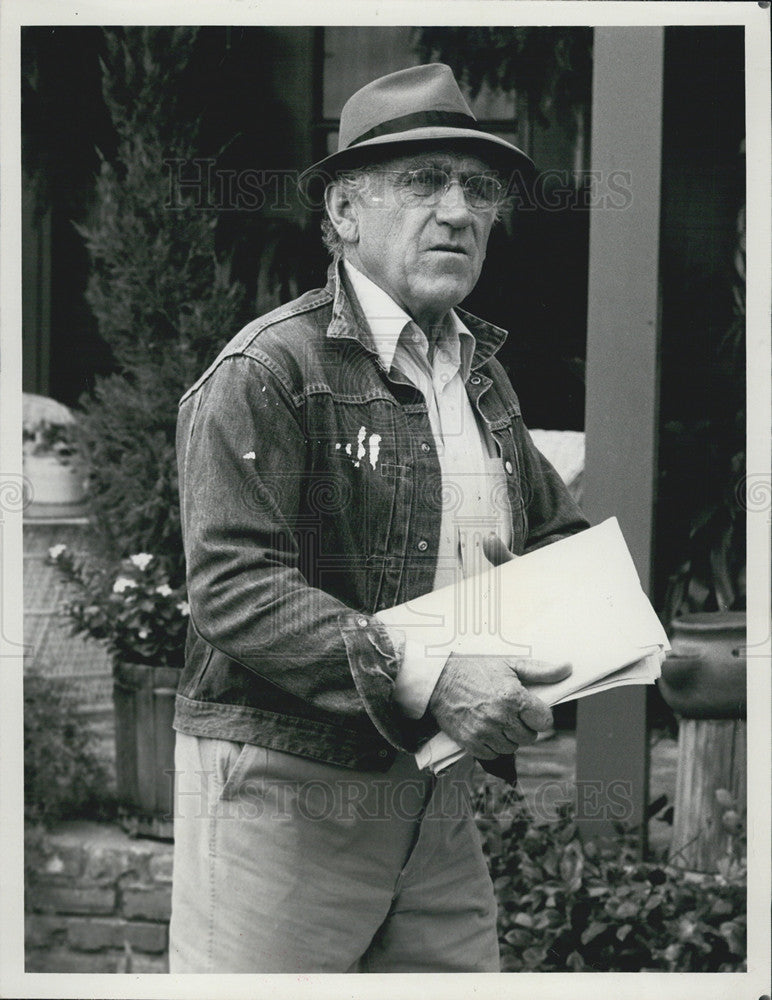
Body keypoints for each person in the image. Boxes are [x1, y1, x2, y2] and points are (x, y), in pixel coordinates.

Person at [169, 63, 588, 973]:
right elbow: (234, 592)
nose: (458, 210)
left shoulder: (481, 374)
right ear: (343, 215)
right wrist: (436, 673)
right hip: (286, 790)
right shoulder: (269, 371)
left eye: (478, 188)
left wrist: (590, 638)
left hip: (435, 797)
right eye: (422, 183)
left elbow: (556, 539)